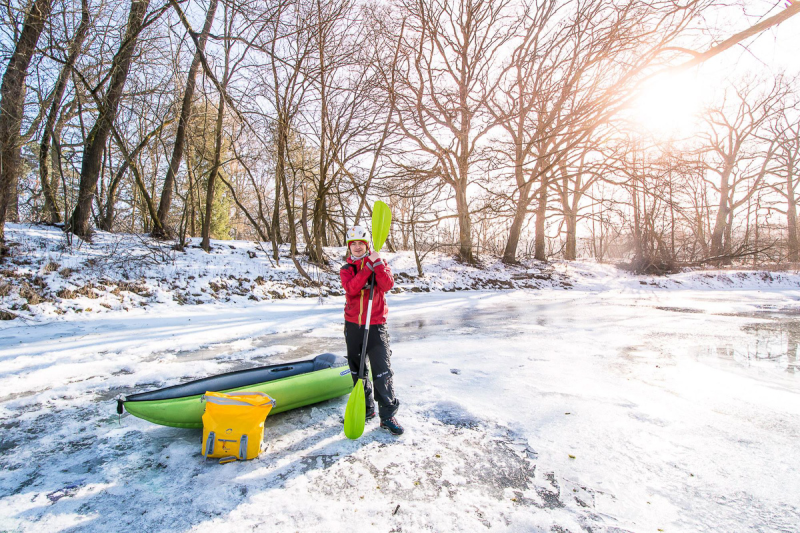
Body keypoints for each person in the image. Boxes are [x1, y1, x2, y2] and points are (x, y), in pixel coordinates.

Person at [340, 225, 403, 435]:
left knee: (382, 370)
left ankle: (387, 416)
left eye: (361, 243)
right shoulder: (346, 269)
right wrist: (367, 267)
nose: (357, 247)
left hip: (376, 324)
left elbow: (387, 285)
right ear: (349, 247)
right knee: (358, 371)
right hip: (353, 325)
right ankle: (366, 408)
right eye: (353, 244)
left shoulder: (379, 263)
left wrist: (377, 264)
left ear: (367, 245)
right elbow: (351, 288)